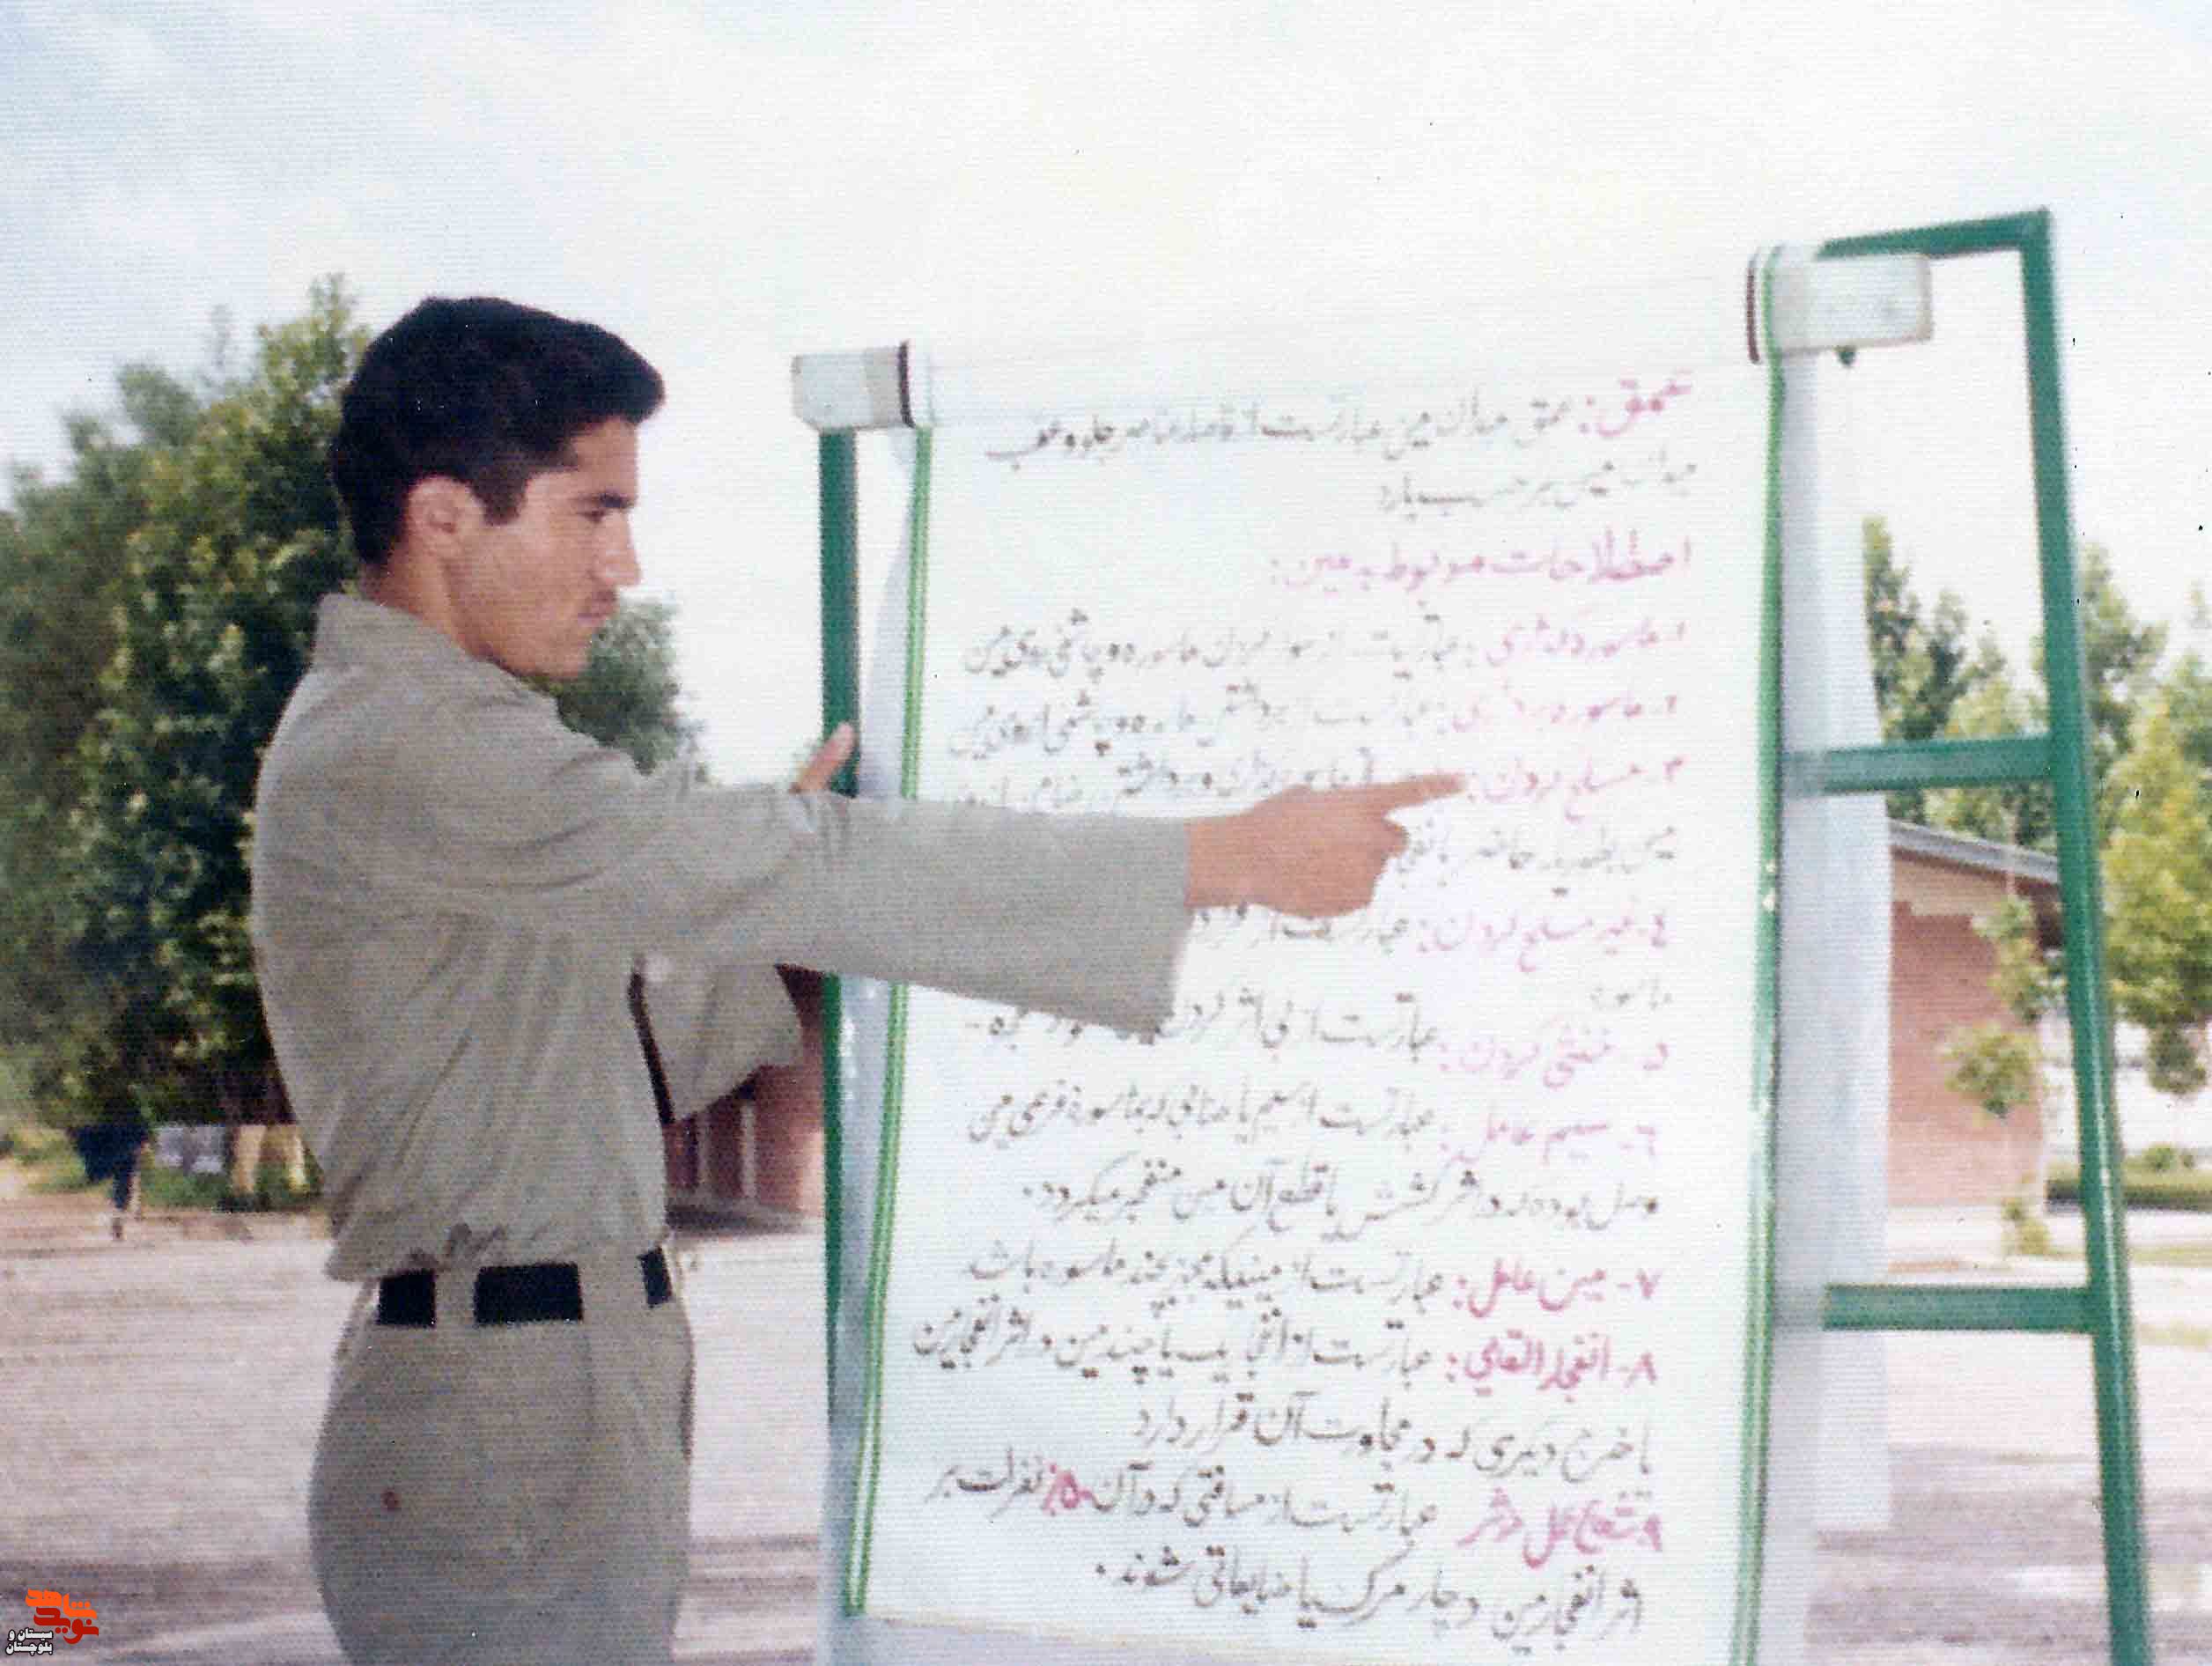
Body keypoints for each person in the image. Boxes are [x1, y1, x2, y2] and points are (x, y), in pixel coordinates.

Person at [248, 296, 1459, 1664]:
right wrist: (1221, 858)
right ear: (444, 515)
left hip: (544, 1390)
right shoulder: (413, 742)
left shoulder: (438, 741)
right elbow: (796, 867)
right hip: (497, 1411)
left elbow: (601, 1070)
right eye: (595, 513)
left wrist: (779, 911)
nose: (623, 567)